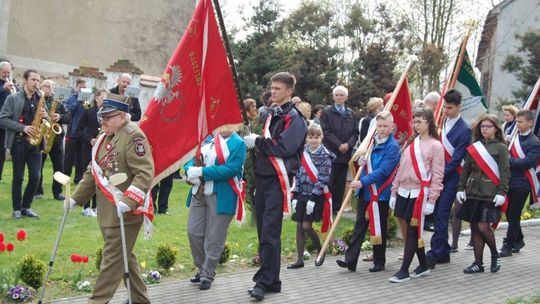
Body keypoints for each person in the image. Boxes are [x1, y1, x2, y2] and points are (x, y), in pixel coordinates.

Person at [68, 93, 153, 303]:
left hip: (126, 212)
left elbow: (144, 173)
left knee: (112, 260)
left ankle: (96, 301)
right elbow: (94, 171)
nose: (103, 121)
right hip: (108, 212)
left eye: (108, 116)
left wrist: (129, 201)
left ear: (123, 116)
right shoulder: (107, 134)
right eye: (102, 116)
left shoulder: (134, 136)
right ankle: (140, 300)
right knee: (124, 256)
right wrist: (76, 199)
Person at [243, 72, 307, 301]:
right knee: (264, 232)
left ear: (289, 91)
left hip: (278, 182)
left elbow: (284, 148)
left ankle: (264, 282)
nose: (273, 91)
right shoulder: (272, 114)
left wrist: (258, 142)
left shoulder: (295, 118)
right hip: (263, 179)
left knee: (270, 231)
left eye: (278, 88)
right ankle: (272, 280)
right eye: (272, 87)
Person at [337, 110, 400, 272]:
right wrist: (361, 161)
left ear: (392, 127)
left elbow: (383, 172)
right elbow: (362, 162)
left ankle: (379, 261)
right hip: (365, 193)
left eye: (386, 126)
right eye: (379, 126)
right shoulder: (371, 142)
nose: (382, 129)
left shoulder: (393, 147)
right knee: (359, 227)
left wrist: (361, 182)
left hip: (380, 194)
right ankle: (350, 260)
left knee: (378, 227)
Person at [184, 128, 246, 290]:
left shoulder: (238, 143)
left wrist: (203, 172)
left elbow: (231, 169)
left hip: (221, 194)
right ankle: (202, 267)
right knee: (193, 232)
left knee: (214, 236)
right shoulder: (207, 138)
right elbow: (191, 157)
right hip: (199, 192)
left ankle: (207, 273)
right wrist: (189, 169)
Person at [388, 108, 444, 283]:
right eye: (414, 121)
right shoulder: (410, 142)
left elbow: (438, 174)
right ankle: (423, 264)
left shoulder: (436, 146)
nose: (416, 124)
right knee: (408, 228)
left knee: (413, 231)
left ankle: (404, 270)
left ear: (429, 123)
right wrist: (394, 191)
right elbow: (400, 168)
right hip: (404, 190)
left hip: (420, 193)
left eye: (420, 121)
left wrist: (432, 200)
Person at [456, 114, 509, 274]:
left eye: (488, 126)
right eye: (482, 126)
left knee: (483, 227)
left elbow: (504, 172)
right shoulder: (474, 147)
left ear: (495, 129)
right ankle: (478, 263)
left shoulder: (501, 147)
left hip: (490, 193)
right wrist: (460, 187)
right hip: (472, 192)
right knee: (474, 228)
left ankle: (494, 254)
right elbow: (466, 170)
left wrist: (502, 192)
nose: (484, 129)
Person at [426, 89, 471, 265]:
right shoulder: (441, 121)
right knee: (436, 212)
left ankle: (434, 252)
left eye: (450, 108)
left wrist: (439, 174)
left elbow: (456, 159)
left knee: (442, 213)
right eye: (444, 107)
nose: (446, 111)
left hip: (452, 177)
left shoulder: (465, 130)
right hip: (437, 175)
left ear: (459, 107)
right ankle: (443, 251)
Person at [0, 69, 47, 219]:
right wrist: (23, 127)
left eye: (38, 81)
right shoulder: (13, 98)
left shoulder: (40, 99)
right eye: (33, 80)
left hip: (35, 144)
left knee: (35, 176)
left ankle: (26, 207)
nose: (36, 83)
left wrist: (46, 117)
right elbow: (2, 119)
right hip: (19, 142)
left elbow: (45, 121)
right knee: (18, 177)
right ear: (25, 80)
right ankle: (16, 209)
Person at [288, 124, 334, 269]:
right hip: (302, 193)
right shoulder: (303, 152)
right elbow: (299, 175)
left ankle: (321, 251)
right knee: (299, 226)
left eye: (317, 137)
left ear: (322, 138)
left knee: (307, 226)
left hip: (316, 195)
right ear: (306, 138)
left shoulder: (325, 155)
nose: (313, 140)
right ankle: (299, 259)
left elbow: (322, 179)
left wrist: (313, 199)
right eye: (311, 137)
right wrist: (295, 195)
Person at [500, 109, 540, 257]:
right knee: (510, 214)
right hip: (510, 181)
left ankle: (508, 245)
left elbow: (528, 162)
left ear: (530, 123)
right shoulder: (514, 138)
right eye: (516, 122)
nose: (517, 124)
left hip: (523, 183)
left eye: (520, 122)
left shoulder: (535, 142)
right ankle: (519, 239)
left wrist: (509, 161)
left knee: (514, 213)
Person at [320, 85, 359, 213]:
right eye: (336, 95)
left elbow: (355, 133)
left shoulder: (351, 114)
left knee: (341, 183)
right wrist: (338, 145)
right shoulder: (327, 112)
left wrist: (348, 145)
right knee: (329, 181)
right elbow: (326, 131)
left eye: (341, 95)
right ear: (333, 96)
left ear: (346, 97)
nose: (338, 97)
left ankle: (336, 208)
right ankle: (326, 208)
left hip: (345, 154)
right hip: (331, 152)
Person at [35, 79, 71, 201]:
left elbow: (68, 117)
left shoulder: (58, 103)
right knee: (38, 166)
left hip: (56, 139)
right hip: (41, 138)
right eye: (44, 86)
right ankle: (38, 191)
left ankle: (57, 192)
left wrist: (60, 116)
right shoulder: (36, 100)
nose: (46, 88)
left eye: (49, 87)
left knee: (59, 167)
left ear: (53, 89)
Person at [76, 88, 107, 217]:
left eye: (106, 99)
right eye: (102, 98)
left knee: (99, 177)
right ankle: (86, 207)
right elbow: (78, 130)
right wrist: (90, 139)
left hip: (102, 150)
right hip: (88, 149)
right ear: (96, 98)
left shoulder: (107, 114)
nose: (104, 101)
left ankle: (95, 206)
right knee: (88, 177)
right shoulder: (89, 112)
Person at [64, 79, 87, 184]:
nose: (83, 89)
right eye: (81, 87)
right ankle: (65, 178)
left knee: (80, 159)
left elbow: (88, 112)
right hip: (72, 132)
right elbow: (69, 110)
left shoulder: (87, 100)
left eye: (84, 88)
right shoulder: (71, 98)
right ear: (76, 87)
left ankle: (78, 179)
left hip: (82, 133)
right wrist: (79, 100)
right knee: (69, 157)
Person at [0, 61, 18, 183]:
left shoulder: (12, 84)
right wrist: (2, 89)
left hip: (4, 122)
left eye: (8, 72)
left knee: (1, 150)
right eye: (4, 72)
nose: (7, 75)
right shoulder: (3, 85)